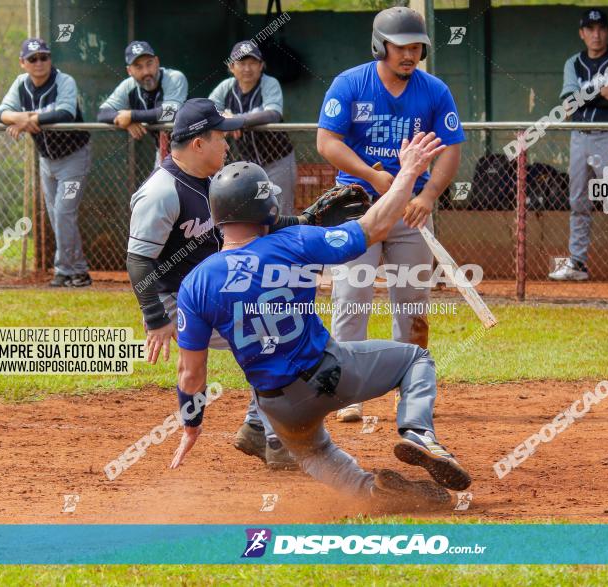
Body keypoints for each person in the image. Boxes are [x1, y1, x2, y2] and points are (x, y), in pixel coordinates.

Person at [171, 131, 471, 506]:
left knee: (315, 453)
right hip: (330, 373)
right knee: (416, 359)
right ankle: (417, 434)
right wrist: (409, 171)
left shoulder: (195, 283)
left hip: (277, 408)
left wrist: (191, 424)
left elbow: (191, 375)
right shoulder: (294, 241)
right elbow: (376, 225)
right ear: (264, 209)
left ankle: (369, 492)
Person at [127, 98, 322, 470]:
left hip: (215, 292)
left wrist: (309, 219)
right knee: (273, 334)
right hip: (180, 299)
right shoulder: (162, 191)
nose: (229, 144)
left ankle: (256, 427)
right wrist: (156, 317)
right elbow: (138, 260)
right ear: (198, 143)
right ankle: (276, 438)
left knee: (274, 328)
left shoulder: (212, 181)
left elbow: (256, 223)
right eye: (221, 136)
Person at [316, 7, 464, 422]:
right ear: (381, 45)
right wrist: (370, 176)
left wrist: (429, 194)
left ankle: (411, 392)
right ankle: (347, 392)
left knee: (413, 302)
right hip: (357, 205)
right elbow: (327, 141)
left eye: (417, 47)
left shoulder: (434, 91)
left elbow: (451, 147)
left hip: (411, 211)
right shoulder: (350, 83)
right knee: (351, 297)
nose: (410, 55)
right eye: (402, 47)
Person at [548, 9, 608, 283]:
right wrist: (599, 91)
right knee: (578, 203)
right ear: (582, 33)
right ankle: (577, 264)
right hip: (579, 137)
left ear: (607, 31)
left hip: (607, 136)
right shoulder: (572, 63)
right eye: (590, 29)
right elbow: (567, 105)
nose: (596, 34)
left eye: (600, 28)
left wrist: (584, 95)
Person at [0, 38, 91, 287]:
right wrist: (18, 117)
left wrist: (29, 119)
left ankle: (64, 270)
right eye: (33, 58)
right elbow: (1, 113)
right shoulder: (20, 84)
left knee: (63, 212)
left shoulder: (64, 81)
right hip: (47, 161)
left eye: (44, 57)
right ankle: (79, 271)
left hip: (74, 158)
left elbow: (66, 112)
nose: (39, 62)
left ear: (50, 59)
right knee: (57, 215)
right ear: (22, 63)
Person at [208, 41, 297, 214]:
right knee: (252, 212)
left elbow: (273, 114)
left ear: (261, 65)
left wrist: (236, 121)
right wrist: (224, 118)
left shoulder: (269, 83)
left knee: (280, 211)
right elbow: (207, 110)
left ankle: (284, 241)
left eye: (252, 63)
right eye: (241, 63)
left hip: (277, 161)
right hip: (248, 165)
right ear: (232, 67)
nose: (247, 68)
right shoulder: (226, 88)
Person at [98, 41, 187, 167]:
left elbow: (170, 113)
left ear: (157, 62)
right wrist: (125, 120)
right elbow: (102, 113)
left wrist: (132, 116)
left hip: (193, 147)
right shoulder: (128, 86)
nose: (146, 71)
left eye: (149, 63)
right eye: (138, 67)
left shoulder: (174, 78)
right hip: (163, 151)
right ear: (129, 70)